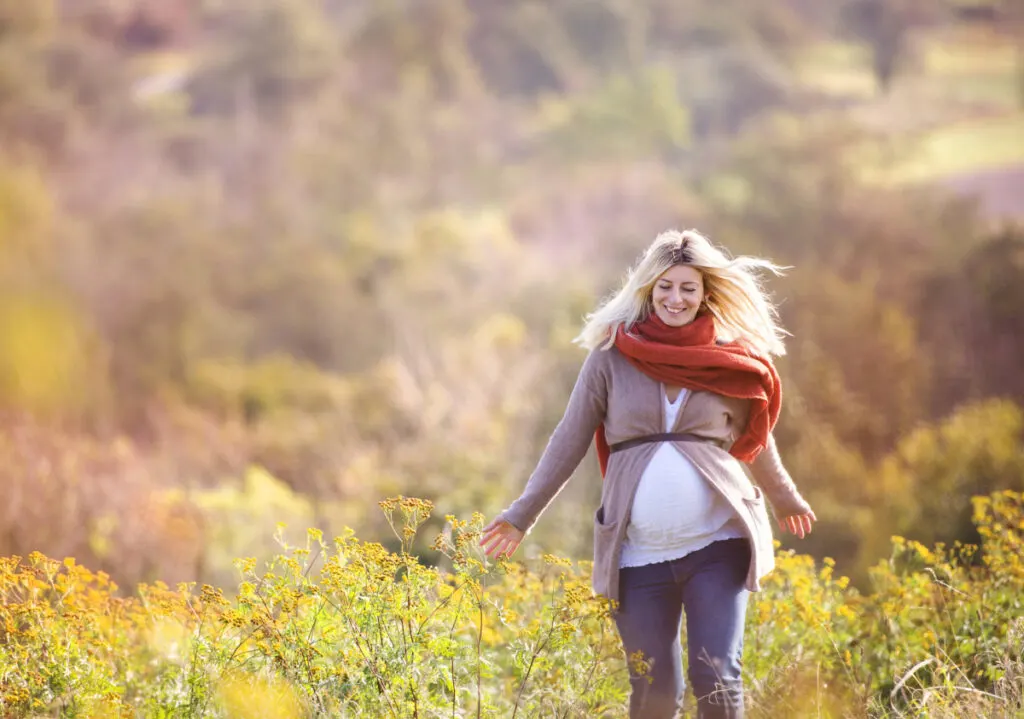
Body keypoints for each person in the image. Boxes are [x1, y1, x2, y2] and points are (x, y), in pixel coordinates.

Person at [479, 229, 816, 719]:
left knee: (717, 677)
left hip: (718, 546)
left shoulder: (731, 358)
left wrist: (785, 496)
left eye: (687, 288)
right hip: (637, 556)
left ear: (705, 294)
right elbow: (568, 440)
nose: (675, 298)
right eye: (665, 287)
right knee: (654, 693)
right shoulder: (611, 359)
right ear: (647, 289)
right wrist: (521, 515)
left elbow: (757, 437)